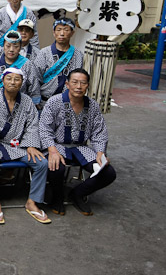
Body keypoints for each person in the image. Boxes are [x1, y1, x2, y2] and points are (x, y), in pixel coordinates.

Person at [40, 68, 116, 216]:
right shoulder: (54, 102)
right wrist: (52, 150)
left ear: (88, 85)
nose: (79, 86)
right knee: (56, 166)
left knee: (108, 173)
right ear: (67, 84)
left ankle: (77, 193)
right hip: (57, 145)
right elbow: (44, 129)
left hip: (81, 147)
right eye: (75, 82)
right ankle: (57, 197)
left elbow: (99, 132)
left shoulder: (92, 105)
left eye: (83, 83)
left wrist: (100, 153)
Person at [0, 68, 50, 225]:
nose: (12, 82)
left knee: (41, 163)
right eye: (9, 78)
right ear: (3, 80)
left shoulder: (27, 101)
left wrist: (32, 145)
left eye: (17, 79)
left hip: (19, 145)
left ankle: (32, 201)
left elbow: (33, 125)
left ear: (22, 82)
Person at [34, 17, 84, 105]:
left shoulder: (78, 54)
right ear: (54, 32)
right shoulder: (44, 53)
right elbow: (35, 78)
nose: (62, 33)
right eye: (59, 29)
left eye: (66, 30)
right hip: (45, 101)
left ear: (72, 33)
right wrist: (36, 100)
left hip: (68, 102)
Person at [0, 30, 41, 105]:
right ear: (3, 46)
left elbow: (34, 87)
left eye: (15, 46)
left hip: (20, 105)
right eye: (8, 46)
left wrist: (34, 104)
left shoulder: (27, 64)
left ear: (20, 48)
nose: (11, 50)